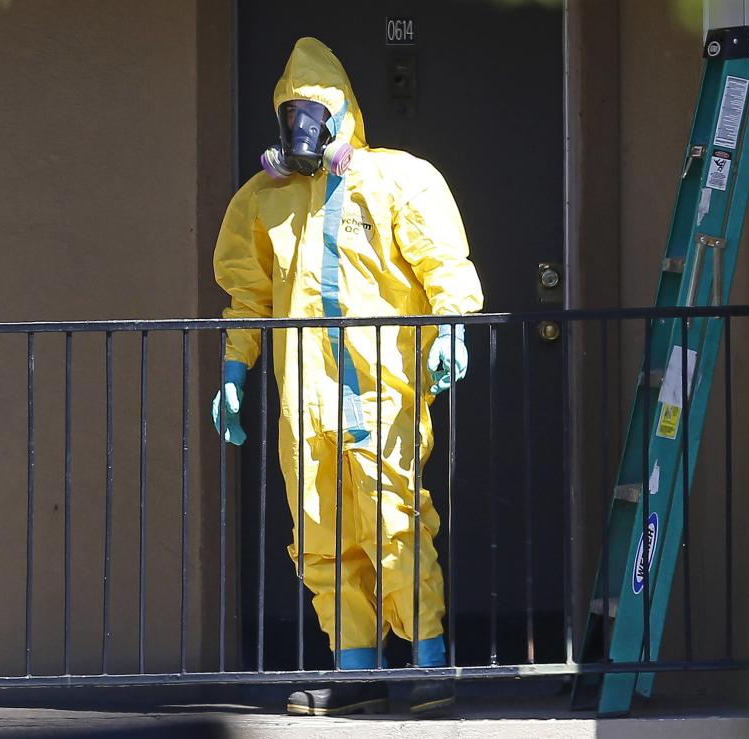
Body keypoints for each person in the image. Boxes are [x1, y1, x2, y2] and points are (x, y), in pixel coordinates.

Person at [211, 37, 483, 716]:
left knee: (393, 515)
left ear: (343, 114)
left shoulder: (398, 178)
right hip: (302, 396)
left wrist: (451, 324)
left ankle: (426, 657)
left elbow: (440, 261)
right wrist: (233, 371)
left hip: (381, 384)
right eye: (292, 110)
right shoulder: (261, 201)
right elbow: (249, 295)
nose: (303, 122)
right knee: (319, 527)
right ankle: (354, 664)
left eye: (316, 109)